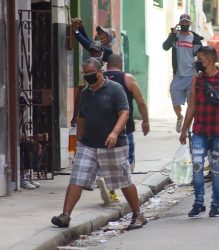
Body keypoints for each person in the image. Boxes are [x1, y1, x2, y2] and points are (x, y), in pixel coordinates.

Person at [51, 58, 147, 230]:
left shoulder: (115, 89)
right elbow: (81, 118)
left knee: (123, 180)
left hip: (113, 145)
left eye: (90, 73)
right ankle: (65, 215)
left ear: (100, 72)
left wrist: (114, 132)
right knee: (77, 177)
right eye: (85, 73)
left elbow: (124, 112)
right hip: (88, 144)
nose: (87, 76)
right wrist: (79, 143)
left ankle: (138, 214)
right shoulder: (86, 93)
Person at [179, 46, 219, 218]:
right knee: (197, 167)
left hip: (218, 131)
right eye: (197, 59)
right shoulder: (196, 80)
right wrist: (184, 130)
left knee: (216, 169)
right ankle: (199, 202)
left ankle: (216, 204)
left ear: (211, 59)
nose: (198, 62)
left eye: (200, 59)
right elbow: (192, 106)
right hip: (199, 130)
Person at [104, 54, 150, 172]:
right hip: (125, 126)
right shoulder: (127, 78)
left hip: (101, 125)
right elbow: (141, 102)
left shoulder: (99, 78)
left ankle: (104, 177)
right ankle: (126, 178)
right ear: (121, 64)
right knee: (127, 159)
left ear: (107, 65)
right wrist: (145, 121)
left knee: (102, 156)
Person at [162, 14, 203, 133]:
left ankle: (188, 127)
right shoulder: (175, 38)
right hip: (178, 76)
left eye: (187, 22)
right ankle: (179, 117)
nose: (184, 24)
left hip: (192, 76)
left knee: (192, 103)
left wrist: (201, 70)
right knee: (175, 101)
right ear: (179, 23)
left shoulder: (195, 40)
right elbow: (165, 47)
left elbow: (201, 56)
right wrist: (172, 34)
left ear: (190, 24)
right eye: (182, 22)